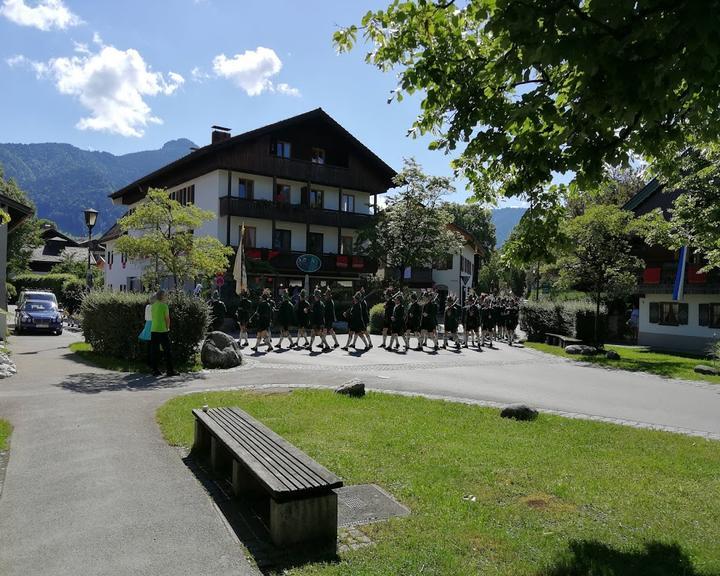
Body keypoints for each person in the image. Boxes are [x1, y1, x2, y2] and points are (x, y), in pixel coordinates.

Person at [149, 290, 177, 376]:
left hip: (154, 329)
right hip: (162, 330)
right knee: (167, 351)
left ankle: (155, 370)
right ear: (162, 296)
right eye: (165, 295)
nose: (167, 297)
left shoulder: (153, 306)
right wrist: (168, 327)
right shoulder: (164, 306)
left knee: (155, 351)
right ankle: (170, 370)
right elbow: (167, 319)